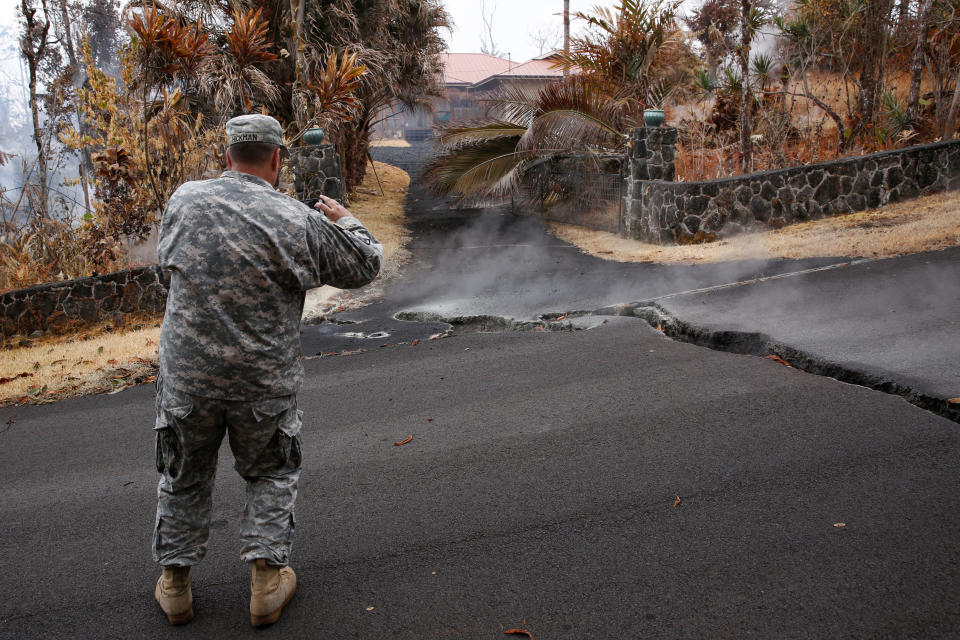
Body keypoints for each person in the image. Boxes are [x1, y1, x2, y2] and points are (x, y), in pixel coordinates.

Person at [152, 114, 382, 627]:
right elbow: (365, 265)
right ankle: (264, 583)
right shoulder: (295, 218)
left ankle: (175, 586)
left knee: (183, 475)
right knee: (271, 473)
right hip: (263, 383)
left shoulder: (184, 200)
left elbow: (166, 270)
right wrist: (345, 220)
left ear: (227, 154)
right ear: (277, 159)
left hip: (188, 379)